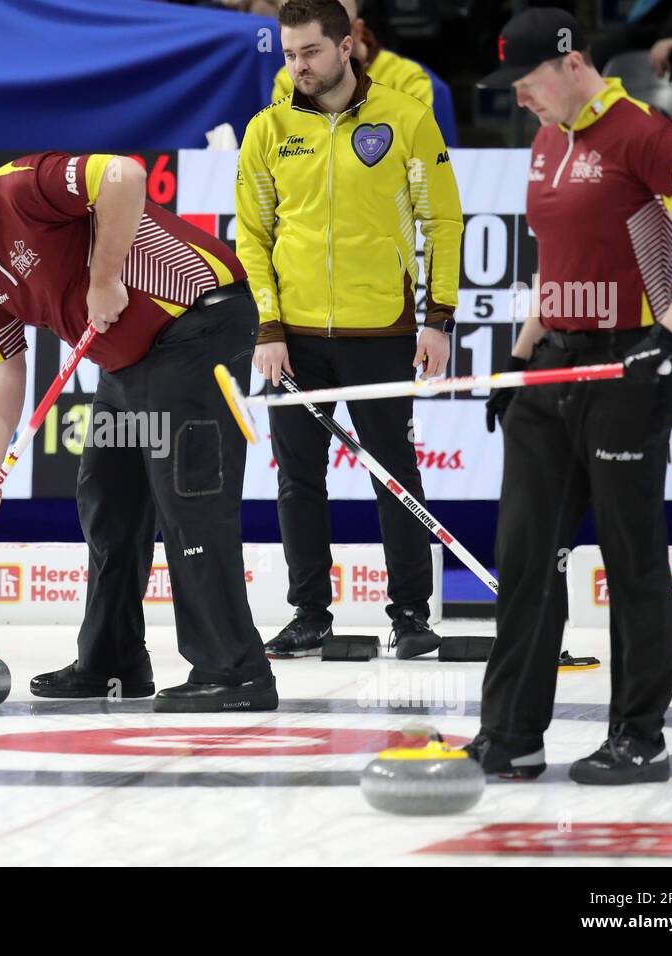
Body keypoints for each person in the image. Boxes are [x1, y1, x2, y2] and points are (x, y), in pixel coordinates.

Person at [0, 147, 276, 712]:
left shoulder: (19, 188)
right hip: (126, 361)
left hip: (197, 326)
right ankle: (112, 664)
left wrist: (105, 277)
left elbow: (124, 174)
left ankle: (235, 671)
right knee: (108, 503)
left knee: (190, 501)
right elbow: (0, 371)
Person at [472, 9, 672, 784]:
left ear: (570, 64)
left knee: (630, 558)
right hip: (553, 367)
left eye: (526, 84)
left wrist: (668, 336)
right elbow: (555, 266)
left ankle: (639, 735)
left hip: (629, 368)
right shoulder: (546, 139)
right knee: (525, 556)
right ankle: (511, 736)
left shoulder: (646, 134)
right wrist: (516, 359)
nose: (519, 99)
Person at [237, 0, 462, 660]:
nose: (297, 65)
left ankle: (412, 614)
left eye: (309, 51)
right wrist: (268, 327)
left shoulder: (405, 119)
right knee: (297, 480)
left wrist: (438, 319)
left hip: (382, 331)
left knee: (394, 473)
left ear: (345, 46)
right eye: (287, 53)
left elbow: (442, 222)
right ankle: (310, 614)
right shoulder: (268, 129)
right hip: (294, 339)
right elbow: (253, 234)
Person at [271, 0, 433, 108]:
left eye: (312, 51)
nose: (300, 66)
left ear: (357, 30)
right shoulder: (288, 79)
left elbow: (410, 151)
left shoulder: (407, 79)